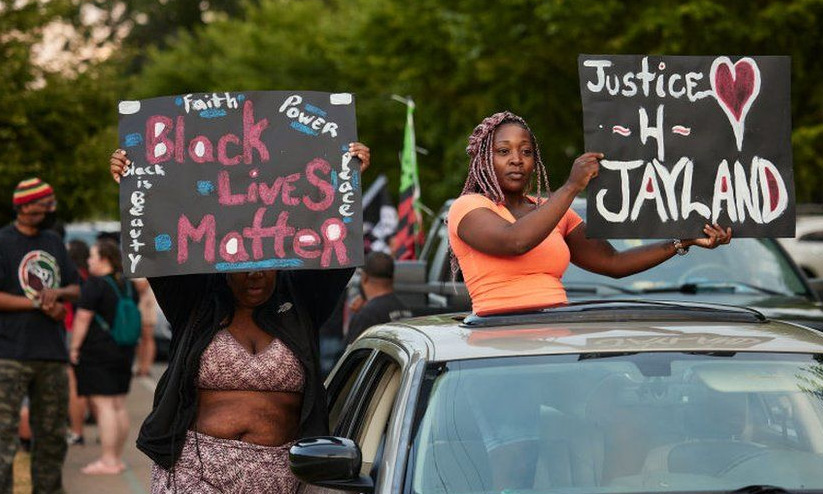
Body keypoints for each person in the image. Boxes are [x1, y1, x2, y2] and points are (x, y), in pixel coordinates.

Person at [109, 142, 370, 493]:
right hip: (194, 472)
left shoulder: (301, 303)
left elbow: (337, 252)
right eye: (242, 266)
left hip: (281, 476)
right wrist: (135, 181)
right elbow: (160, 246)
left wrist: (346, 182)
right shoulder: (196, 303)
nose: (255, 275)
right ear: (221, 262)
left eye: (265, 265)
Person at [448, 112, 732, 316]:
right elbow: (515, 241)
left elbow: (614, 262)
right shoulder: (469, 207)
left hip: (555, 335)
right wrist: (572, 186)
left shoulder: (553, 212)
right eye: (503, 151)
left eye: (526, 152)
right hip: (497, 341)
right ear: (483, 160)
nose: (517, 160)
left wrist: (683, 240)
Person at [0, 178, 80, 494]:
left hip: (52, 354)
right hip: (10, 355)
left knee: (51, 437)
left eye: (49, 206)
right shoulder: (3, 241)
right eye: (44, 205)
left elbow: (75, 288)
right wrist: (41, 304)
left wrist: (57, 294)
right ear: (24, 206)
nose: (48, 211)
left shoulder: (53, 241)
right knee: (4, 437)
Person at [70, 238, 140, 474]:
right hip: (124, 350)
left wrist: (74, 348)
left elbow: (82, 318)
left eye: (92, 256)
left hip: (98, 351)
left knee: (104, 406)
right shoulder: (127, 284)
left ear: (104, 259)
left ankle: (108, 461)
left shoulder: (95, 285)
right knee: (119, 405)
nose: (88, 261)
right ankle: (117, 458)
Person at [345, 251, 412, 344]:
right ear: (393, 278)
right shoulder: (404, 308)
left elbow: (351, 351)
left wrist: (357, 316)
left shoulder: (366, 316)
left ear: (364, 277)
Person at [66, 239, 90, 446]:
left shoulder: (73, 277)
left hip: (72, 330)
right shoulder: (90, 276)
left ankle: (76, 431)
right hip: (92, 335)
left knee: (75, 384)